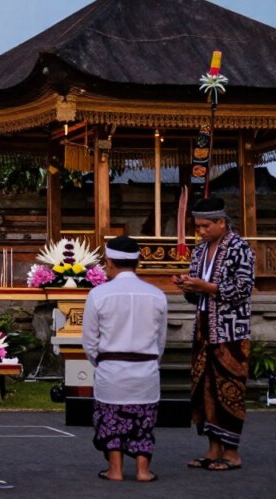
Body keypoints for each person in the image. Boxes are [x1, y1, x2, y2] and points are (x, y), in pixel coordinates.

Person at [173, 197, 255, 471]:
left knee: (228, 389)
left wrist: (206, 287)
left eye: (206, 225)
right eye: (198, 226)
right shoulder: (199, 251)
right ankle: (213, 449)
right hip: (203, 328)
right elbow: (198, 298)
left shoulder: (240, 248)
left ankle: (232, 453)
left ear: (222, 222)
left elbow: (242, 290)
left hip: (231, 330)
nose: (202, 231)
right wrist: (188, 288)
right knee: (203, 388)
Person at [82, 236, 168, 482]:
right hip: (147, 370)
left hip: (112, 369)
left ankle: (115, 469)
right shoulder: (157, 295)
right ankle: (143, 470)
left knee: (111, 420)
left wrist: (100, 363)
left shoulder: (99, 295)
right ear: (138, 262)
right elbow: (160, 340)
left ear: (109, 262)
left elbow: (90, 340)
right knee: (144, 421)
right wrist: (152, 363)